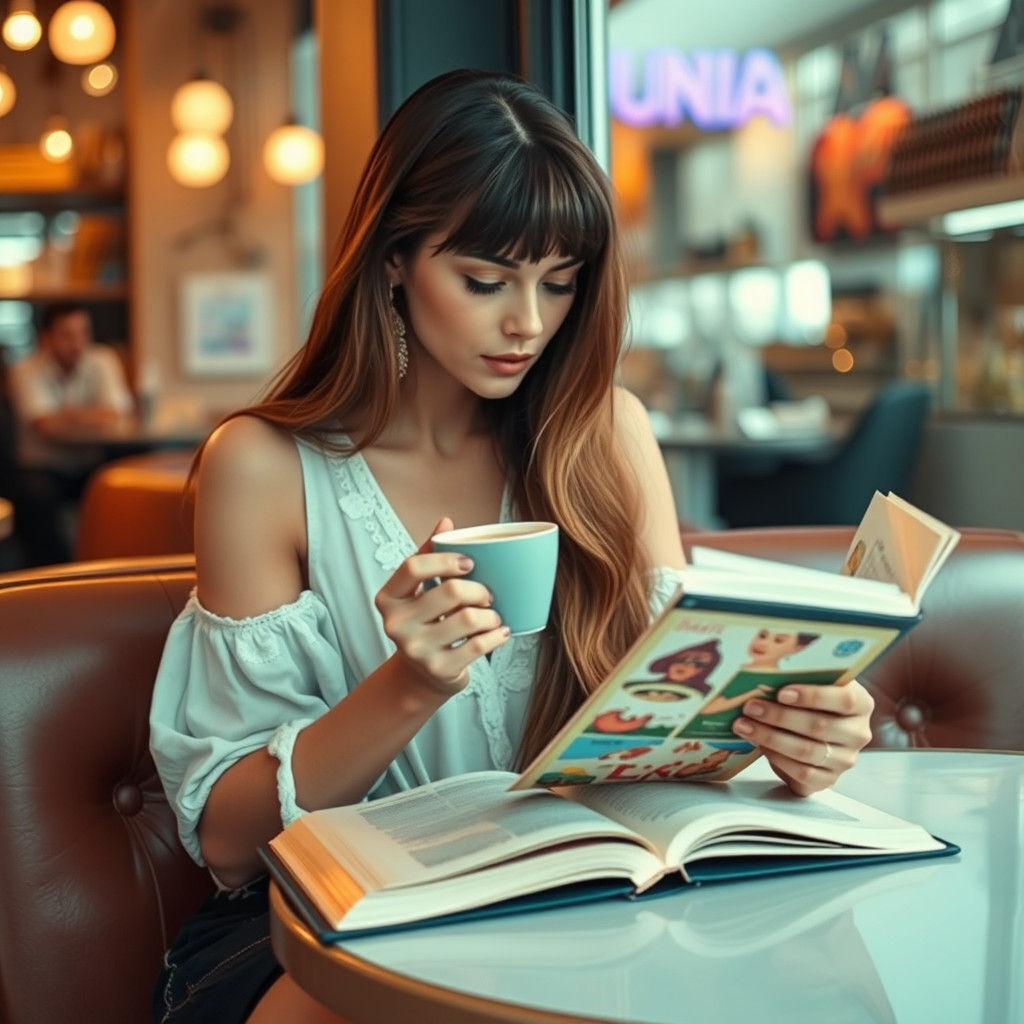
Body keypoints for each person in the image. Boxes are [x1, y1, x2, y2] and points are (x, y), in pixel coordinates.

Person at [148, 69, 875, 1024]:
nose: (527, 322)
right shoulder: (264, 466)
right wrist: (410, 686)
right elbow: (233, 843)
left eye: (559, 283)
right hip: (327, 926)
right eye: (486, 280)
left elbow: (668, 726)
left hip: (587, 899)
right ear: (395, 258)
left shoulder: (607, 434)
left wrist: (794, 738)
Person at [7, 302, 133, 564]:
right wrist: (94, 415)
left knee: (126, 484)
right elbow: (43, 425)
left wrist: (68, 414)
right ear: (46, 338)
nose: (78, 343)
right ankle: (56, 574)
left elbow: (118, 412)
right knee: (35, 497)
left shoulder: (102, 360)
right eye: (67, 335)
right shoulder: (24, 370)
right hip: (42, 468)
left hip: (90, 465)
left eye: (83, 333)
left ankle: (110, 567)